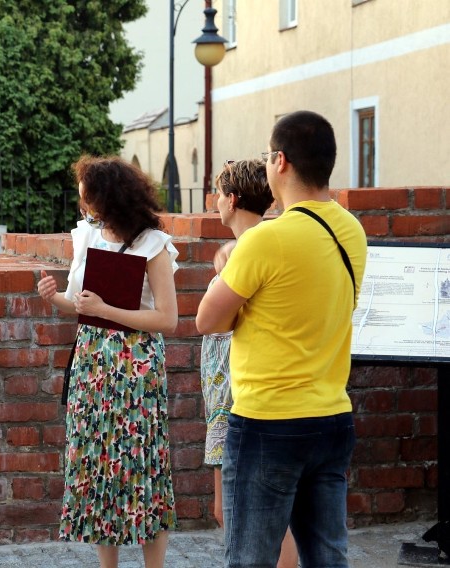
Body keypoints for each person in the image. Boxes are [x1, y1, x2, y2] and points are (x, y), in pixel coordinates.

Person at [196, 110, 368, 568]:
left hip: (267, 422)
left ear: (281, 161)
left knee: (250, 558)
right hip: (332, 416)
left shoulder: (263, 241)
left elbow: (206, 320)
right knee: (328, 557)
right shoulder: (351, 230)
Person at [37, 155, 180, 568]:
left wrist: (107, 310)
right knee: (97, 462)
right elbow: (80, 305)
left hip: (135, 370)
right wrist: (55, 298)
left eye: (88, 199)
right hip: (92, 365)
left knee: (143, 462)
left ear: (108, 198)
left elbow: (167, 319)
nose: (84, 208)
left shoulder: (152, 245)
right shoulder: (89, 237)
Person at [199, 159, 297, 568]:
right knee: (270, 514)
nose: (215, 201)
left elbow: (212, 325)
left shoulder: (246, 253)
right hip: (241, 399)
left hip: (241, 400)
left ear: (233, 199)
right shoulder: (263, 244)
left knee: (248, 516)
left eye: (220, 193)